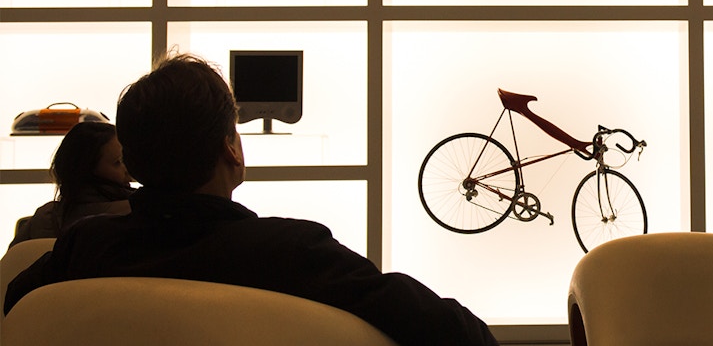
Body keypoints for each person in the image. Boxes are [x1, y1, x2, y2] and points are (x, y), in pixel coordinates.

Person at [4, 53, 498, 345]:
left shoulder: (82, 249)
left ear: (130, 164)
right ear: (231, 148)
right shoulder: (293, 252)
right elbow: (455, 332)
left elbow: (16, 310)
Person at [10, 121, 133, 247]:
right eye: (118, 162)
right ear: (87, 170)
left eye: (127, 159)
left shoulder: (44, 216)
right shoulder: (136, 213)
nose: (129, 170)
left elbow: (13, 258)